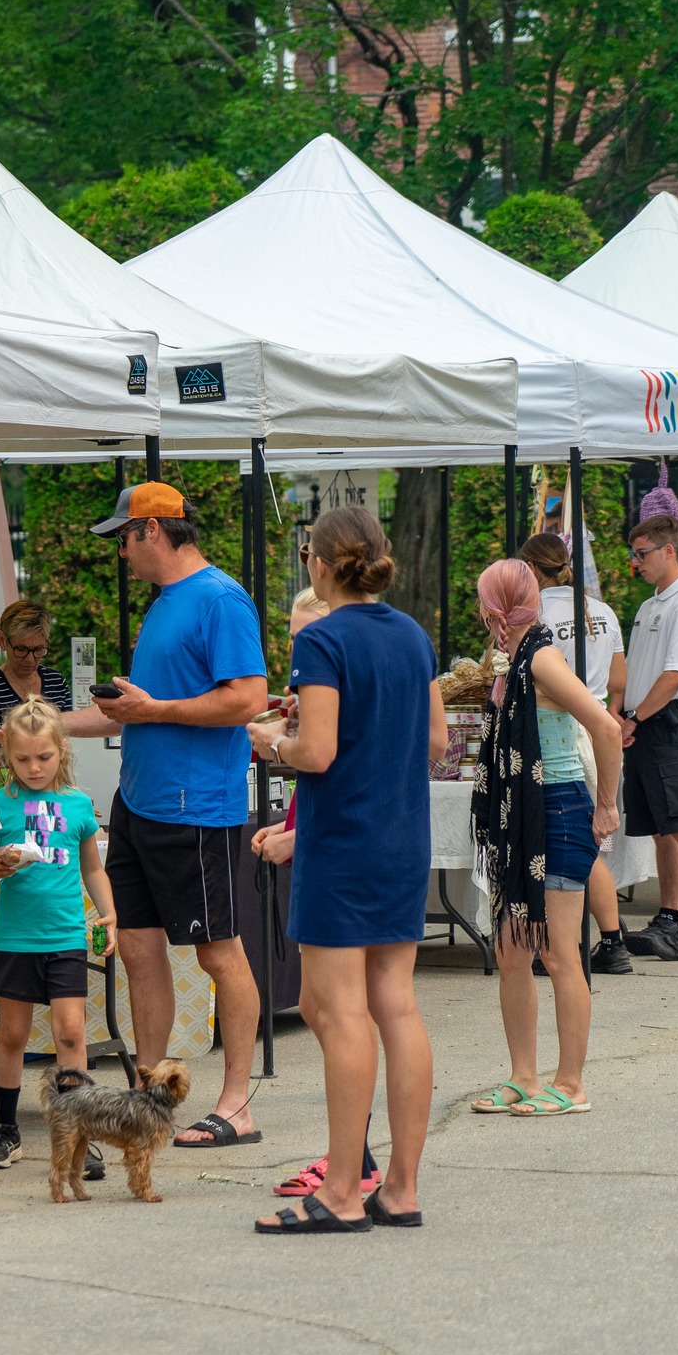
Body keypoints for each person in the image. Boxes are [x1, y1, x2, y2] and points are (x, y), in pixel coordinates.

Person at [245, 507, 440, 1233]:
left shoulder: (321, 638)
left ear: (320, 564)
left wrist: (275, 739)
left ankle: (341, 1191)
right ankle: (402, 1186)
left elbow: (317, 751)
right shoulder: (412, 634)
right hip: (400, 837)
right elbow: (436, 737)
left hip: (343, 842)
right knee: (397, 1003)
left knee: (344, 1011)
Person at [61, 482, 268, 1148]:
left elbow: (247, 699)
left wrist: (155, 711)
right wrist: (41, 723)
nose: (120, 551)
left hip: (196, 807)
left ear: (151, 530)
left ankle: (236, 1103)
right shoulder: (165, 606)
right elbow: (134, 707)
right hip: (139, 803)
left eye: (122, 537)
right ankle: (152, 1097)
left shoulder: (220, 598)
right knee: (142, 952)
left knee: (218, 952)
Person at [468, 560, 623, 1120]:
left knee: (560, 954)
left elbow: (606, 727)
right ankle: (524, 1076)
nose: (482, 612)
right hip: (520, 820)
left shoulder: (543, 658)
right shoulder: (511, 659)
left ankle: (572, 1082)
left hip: (556, 812)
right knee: (512, 951)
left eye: (485, 601)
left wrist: (606, 805)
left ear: (498, 605)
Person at [260, 588, 383, 1202]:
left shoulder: (335, 657)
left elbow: (339, 767)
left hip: (341, 856)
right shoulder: (350, 666)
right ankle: (355, 1157)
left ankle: (353, 1161)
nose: (295, 646)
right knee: (318, 1006)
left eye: (302, 632)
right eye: (291, 633)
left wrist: (278, 743)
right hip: (336, 846)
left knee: (343, 1013)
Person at [0, 698, 116, 1172]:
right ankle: (7, 1130)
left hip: (67, 938)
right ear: (6, 756)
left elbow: (93, 867)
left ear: (62, 751)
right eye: (22, 759)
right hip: (15, 939)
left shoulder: (77, 805)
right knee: (12, 1033)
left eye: (44, 757)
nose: (34, 768)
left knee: (70, 1031)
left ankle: (79, 1132)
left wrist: (109, 914)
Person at [518, 533, 634, 975]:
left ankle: (573, 944)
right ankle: (611, 939)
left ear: (530, 569)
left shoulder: (535, 616)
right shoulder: (601, 610)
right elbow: (619, 680)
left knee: (574, 844)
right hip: (599, 722)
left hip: (562, 734)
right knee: (591, 844)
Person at [617, 515, 678, 962]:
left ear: (670, 551)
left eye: (642, 553)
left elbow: (676, 674)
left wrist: (634, 716)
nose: (636, 562)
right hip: (640, 722)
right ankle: (670, 915)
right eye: (634, 554)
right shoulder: (649, 605)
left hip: (662, 721)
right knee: (661, 829)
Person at [0, 600, 74, 728]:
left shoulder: (56, 683)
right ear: (2, 640)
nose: (30, 659)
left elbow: (68, 735)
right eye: (21, 650)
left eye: (38, 650)